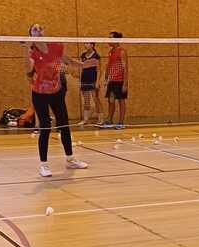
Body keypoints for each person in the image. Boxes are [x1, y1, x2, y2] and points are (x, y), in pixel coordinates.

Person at [25, 26, 88, 178]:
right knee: (45, 127)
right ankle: (44, 165)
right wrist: (25, 49)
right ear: (31, 35)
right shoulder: (32, 52)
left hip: (56, 91)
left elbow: (67, 60)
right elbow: (28, 70)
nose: (38, 31)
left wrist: (83, 65)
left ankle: (70, 159)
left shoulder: (55, 47)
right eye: (34, 30)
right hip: (40, 93)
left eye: (40, 29)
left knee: (64, 125)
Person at [102, 31, 128, 129]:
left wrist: (125, 83)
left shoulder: (122, 52)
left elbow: (125, 68)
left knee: (121, 100)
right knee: (111, 100)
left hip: (120, 80)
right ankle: (109, 120)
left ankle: (121, 123)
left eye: (110, 38)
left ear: (116, 40)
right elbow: (108, 66)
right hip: (112, 80)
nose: (108, 40)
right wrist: (106, 78)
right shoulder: (110, 52)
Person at [78, 43, 101, 126]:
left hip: (93, 80)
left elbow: (99, 70)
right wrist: (80, 80)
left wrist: (97, 82)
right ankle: (85, 119)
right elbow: (81, 68)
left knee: (96, 99)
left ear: (92, 45)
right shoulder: (83, 55)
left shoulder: (96, 56)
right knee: (86, 100)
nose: (85, 45)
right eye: (85, 43)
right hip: (84, 80)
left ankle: (100, 119)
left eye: (87, 43)